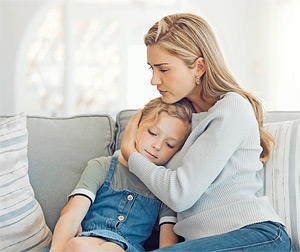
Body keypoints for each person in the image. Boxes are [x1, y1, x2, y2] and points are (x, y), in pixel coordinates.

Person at [121, 13, 295, 251]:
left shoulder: (232, 107)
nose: (153, 80)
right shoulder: (181, 122)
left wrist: (131, 155)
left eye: (163, 69)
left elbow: (179, 193)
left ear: (199, 67)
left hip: (255, 236)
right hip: (201, 243)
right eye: (151, 68)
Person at [47, 97, 193, 252]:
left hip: (126, 249)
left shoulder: (166, 186)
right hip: (86, 242)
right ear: (135, 125)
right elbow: (72, 215)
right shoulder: (101, 166)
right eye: (152, 133)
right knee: (77, 245)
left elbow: (167, 243)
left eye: (169, 145)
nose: (157, 146)